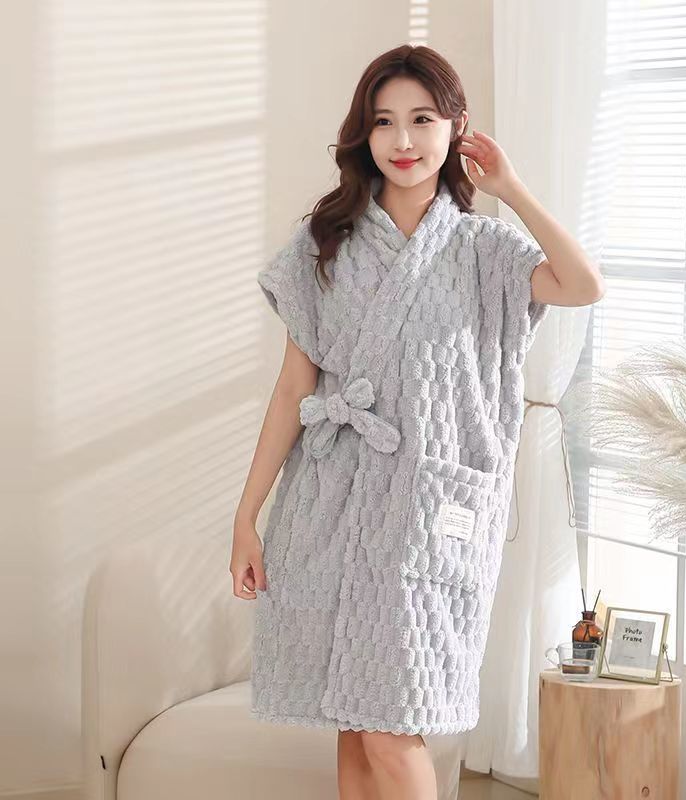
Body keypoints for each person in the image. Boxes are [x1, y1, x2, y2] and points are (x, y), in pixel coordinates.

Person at [230, 43, 604, 800]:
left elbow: (582, 284)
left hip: (426, 513)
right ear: (363, 134)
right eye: (384, 122)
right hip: (328, 505)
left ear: (456, 126)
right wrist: (248, 516)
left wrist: (510, 187)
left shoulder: (486, 250)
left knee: (392, 725)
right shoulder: (325, 245)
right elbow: (292, 388)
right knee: (352, 719)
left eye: (423, 119)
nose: (403, 141)